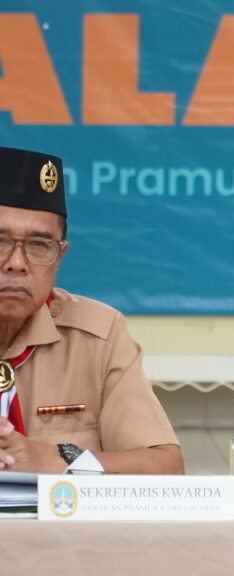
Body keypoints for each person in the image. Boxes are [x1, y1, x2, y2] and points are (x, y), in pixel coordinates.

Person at [0, 146, 183, 474]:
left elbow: (165, 467)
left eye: (38, 245)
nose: (16, 263)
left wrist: (56, 459)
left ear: (59, 257)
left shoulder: (97, 337)